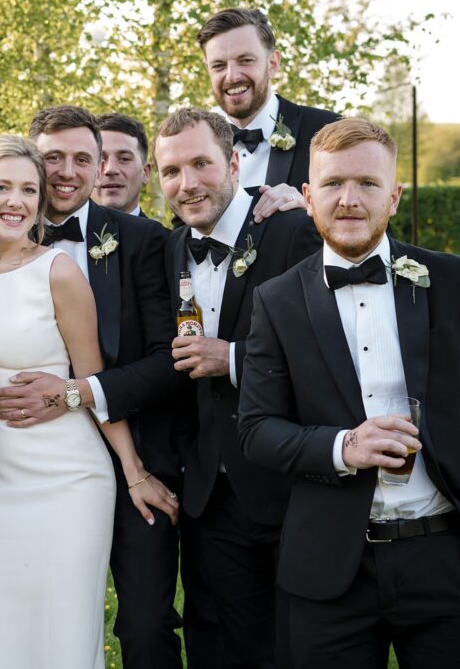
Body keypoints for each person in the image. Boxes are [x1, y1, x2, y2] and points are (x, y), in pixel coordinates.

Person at [237, 118, 460, 669]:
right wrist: (344, 447)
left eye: (367, 183)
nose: (349, 200)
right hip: (329, 567)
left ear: (395, 195)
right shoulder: (277, 300)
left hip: (447, 558)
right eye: (334, 184)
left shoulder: (455, 282)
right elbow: (257, 429)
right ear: (308, 197)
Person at [0, 134, 178, 668]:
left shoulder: (58, 270)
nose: (16, 201)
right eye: (2, 187)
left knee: (61, 629)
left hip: (66, 478)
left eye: (28, 190)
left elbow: (92, 377)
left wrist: (132, 468)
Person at [153, 107, 320, 668]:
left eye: (201, 164)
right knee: (221, 641)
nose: (188, 183)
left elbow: (335, 350)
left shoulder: (293, 228)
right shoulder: (176, 245)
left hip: (290, 482)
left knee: (298, 644)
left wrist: (236, 358)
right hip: (209, 489)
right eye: (172, 171)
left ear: (234, 162)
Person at [199, 7, 339, 223]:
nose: (232, 76)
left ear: (272, 64)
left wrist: (312, 210)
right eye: (218, 65)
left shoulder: (328, 131)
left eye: (245, 60)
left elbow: (373, 227)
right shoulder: (197, 141)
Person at [93, 112, 152, 217]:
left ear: (145, 172)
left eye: (124, 159)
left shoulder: (160, 233)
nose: (110, 169)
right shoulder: (59, 232)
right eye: (100, 159)